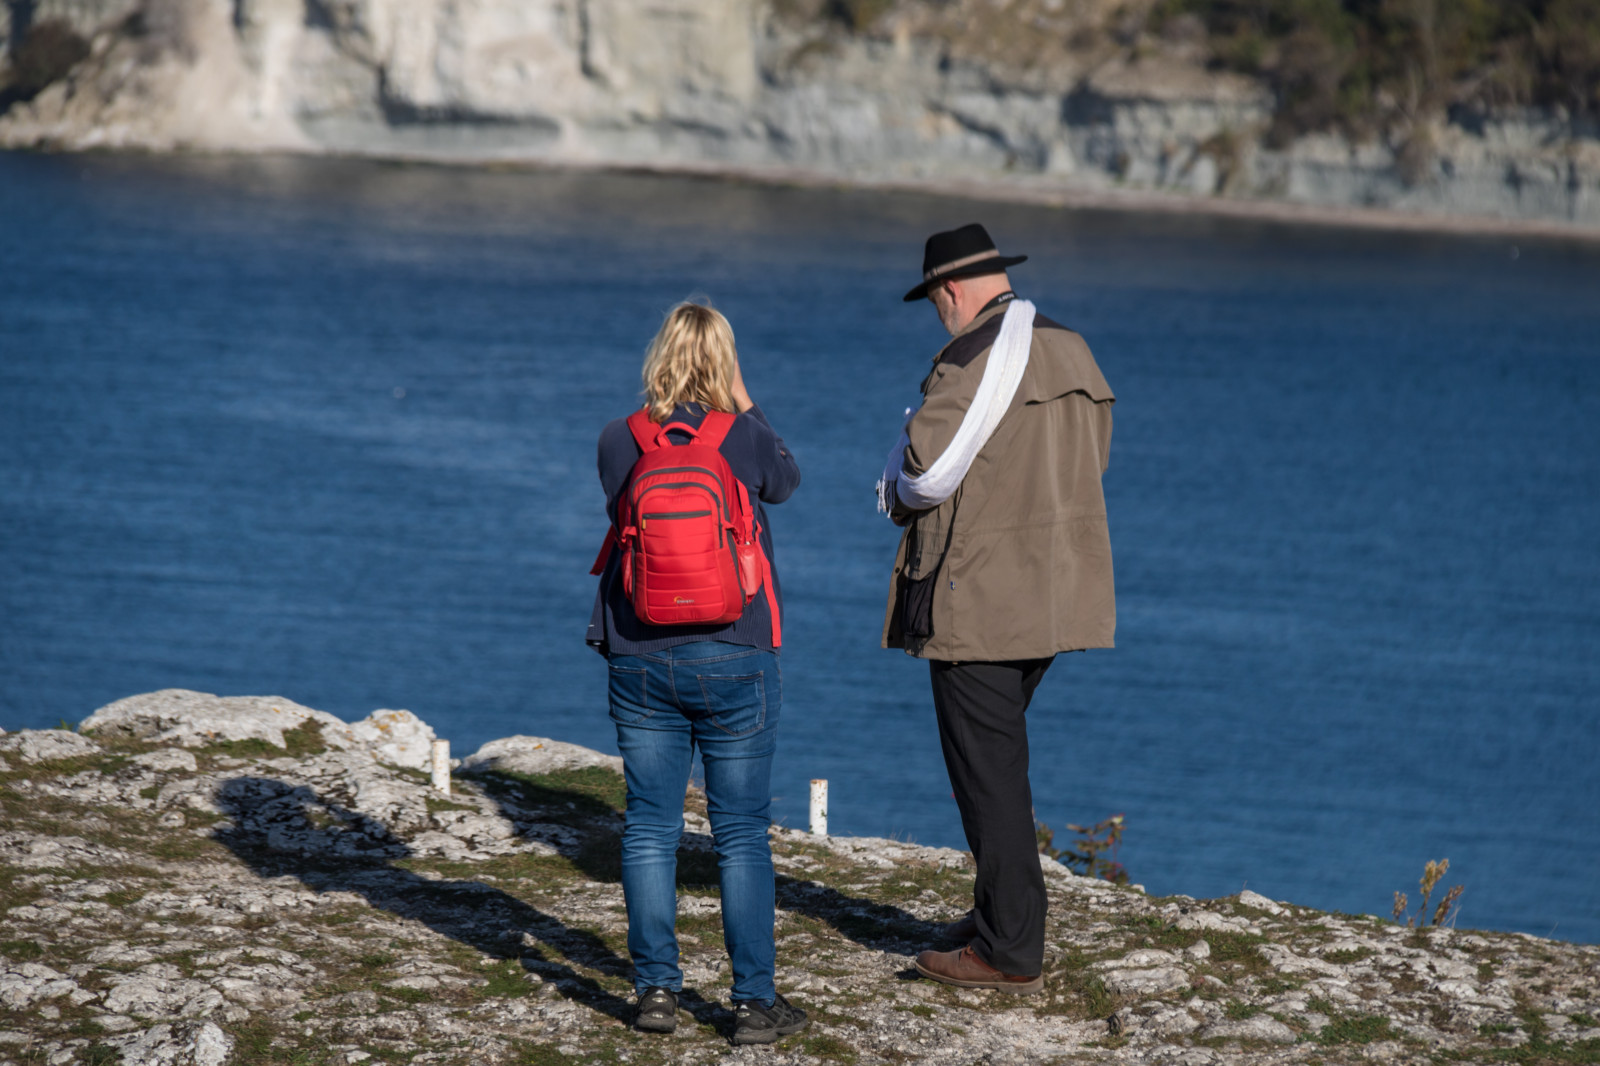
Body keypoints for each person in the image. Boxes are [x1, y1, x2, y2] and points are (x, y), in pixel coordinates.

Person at [876, 223, 1116, 994]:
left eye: (935, 301)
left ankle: (1009, 948)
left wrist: (891, 490)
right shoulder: (1073, 346)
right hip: (1056, 593)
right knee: (998, 760)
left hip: (979, 597)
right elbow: (1094, 456)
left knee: (987, 774)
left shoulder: (970, 357)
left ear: (949, 291)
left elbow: (925, 469)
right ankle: (996, 915)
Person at [588, 300, 808, 1044]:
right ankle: (752, 1004)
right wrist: (744, 398)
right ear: (724, 362)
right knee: (740, 831)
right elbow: (785, 480)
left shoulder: (621, 439)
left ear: (659, 355)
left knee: (649, 823)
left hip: (641, 651)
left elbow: (621, 513)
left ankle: (655, 993)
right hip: (736, 651)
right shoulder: (741, 436)